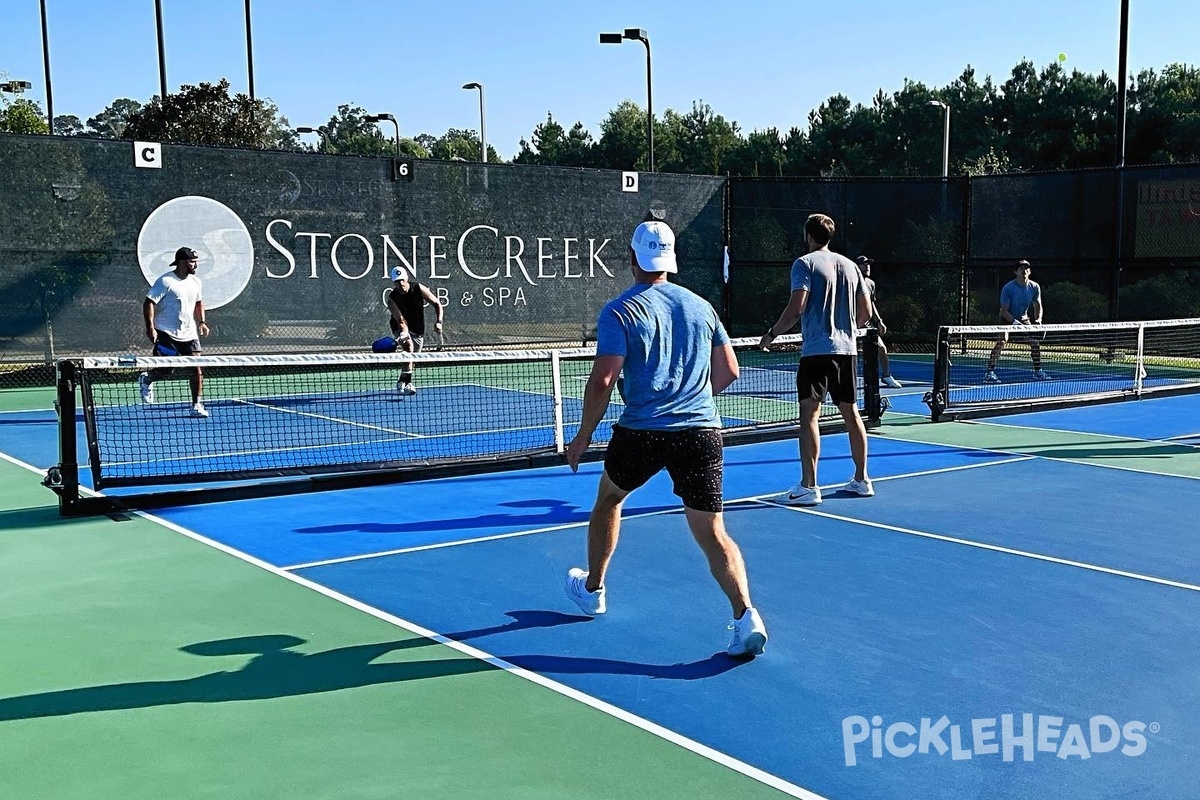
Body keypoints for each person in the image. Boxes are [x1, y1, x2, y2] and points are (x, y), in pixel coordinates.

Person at [563, 220, 768, 659]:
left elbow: (603, 380)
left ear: (634, 258)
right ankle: (746, 614)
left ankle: (593, 589)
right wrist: (690, 398)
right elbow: (730, 371)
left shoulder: (619, 311)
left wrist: (582, 436)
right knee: (714, 533)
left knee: (609, 500)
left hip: (641, 432)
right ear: (670, 260)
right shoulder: (702, 307)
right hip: (701, 435)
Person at [759, 213, 874, 507]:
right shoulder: (851, 266)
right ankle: (862, 480)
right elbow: (866, 314)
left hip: (817, 352)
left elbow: (796, 308)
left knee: (809, 416)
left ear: (808, 237)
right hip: (847, 351)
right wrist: (847, 329)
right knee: (852, 414)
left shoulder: (804, 263)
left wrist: (771, 333)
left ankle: (809, 486)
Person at [140, 246, 210, 418]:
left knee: (196, 369)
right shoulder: (166, 281)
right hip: (165, 333)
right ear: (181, 262)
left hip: (190, 334)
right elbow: (149, 302)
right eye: (192, 261)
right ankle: (147, 379)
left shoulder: (196, 282)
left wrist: (201, 322)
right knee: (167, 370)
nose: (195, 265)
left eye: (195, 261)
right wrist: (150, 328)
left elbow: (199, 303)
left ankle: (196, 404)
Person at [984, 259, 1049, 383]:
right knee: (1002, 341)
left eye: (1026, 268)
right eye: (1021, 268)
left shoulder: (1034, 287)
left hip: (1024, 319)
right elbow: (1003, 311)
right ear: (1016, 272)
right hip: (1007, 319)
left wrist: (1038, 320)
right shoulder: (1008, 288)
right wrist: (1014, 323)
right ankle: (990, 372)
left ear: (1029, 271)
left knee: (1034, 343)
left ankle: (1038, 371)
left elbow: (1037, 305)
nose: (1024, 270)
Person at [386, 266, 445, 395]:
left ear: (407, 278)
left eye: (402, 279)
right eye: (397, 281)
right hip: (399, 327)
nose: (400, 283)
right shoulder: (392, 299)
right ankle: (408, 384)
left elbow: (436, 303)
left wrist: (439, 321)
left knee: (413, 359)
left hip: (418, 328)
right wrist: (404, 333)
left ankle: (402, 379)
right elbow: (400, 320)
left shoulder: (418, 288)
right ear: (393, 283)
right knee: (409, 347)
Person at [855, 256, 903, 389]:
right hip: (850, 324)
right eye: (863, 264)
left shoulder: (870, 284)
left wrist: (879, 321)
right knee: (849, 354)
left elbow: (871, 304)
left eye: (868, 264)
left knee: (881, 348)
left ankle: (886, 376)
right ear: (856, 267)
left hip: (866, 324)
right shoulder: (850, 282)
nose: (867, 267)